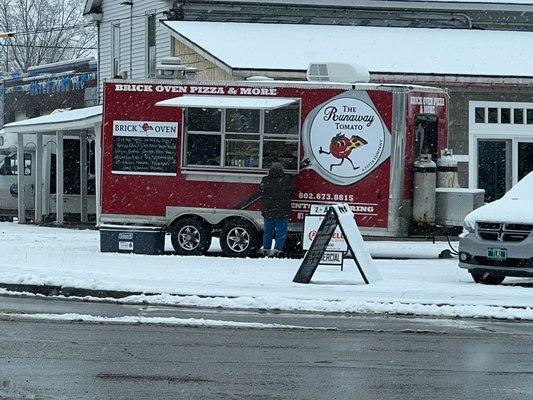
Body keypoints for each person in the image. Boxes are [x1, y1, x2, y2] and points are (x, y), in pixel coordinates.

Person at [260, 162, 294, 257]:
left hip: (268, 210)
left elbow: (262, 192)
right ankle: (277, 250)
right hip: (282, 210)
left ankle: (266, 249)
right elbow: (291, 191)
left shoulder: (265, 179)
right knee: (281, 232)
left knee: (268, 231)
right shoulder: (287, 179)